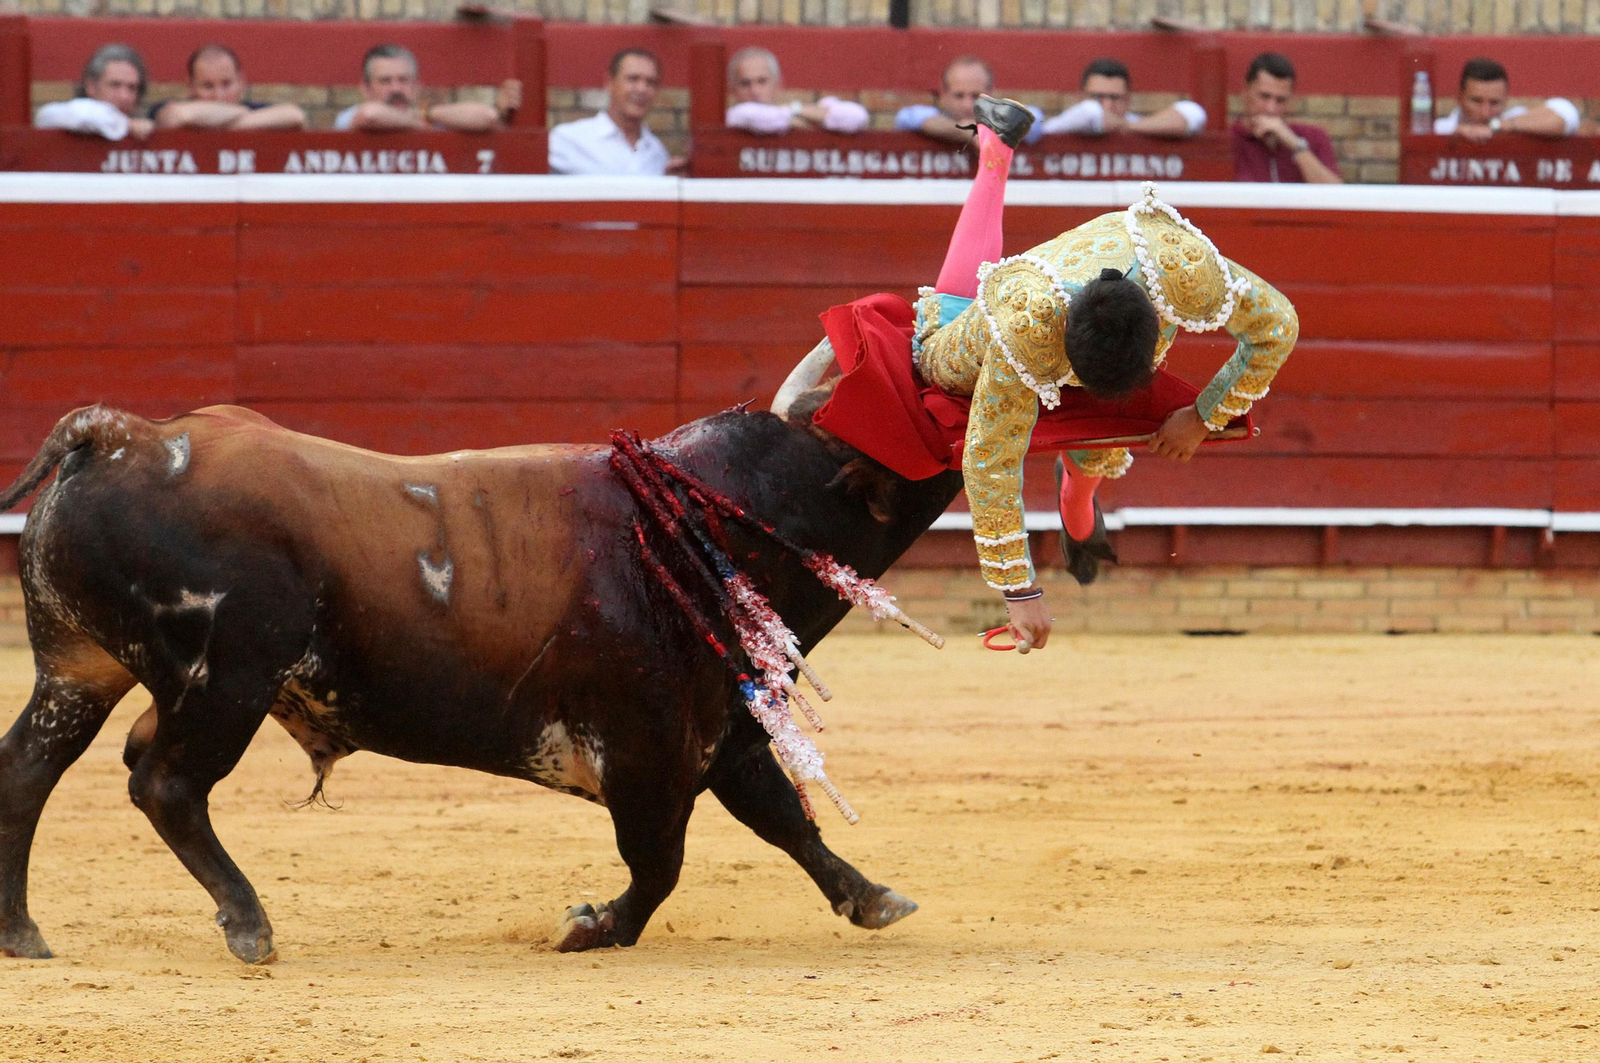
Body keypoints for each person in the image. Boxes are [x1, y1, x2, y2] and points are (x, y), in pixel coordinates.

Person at [808, 99, 1298, 652]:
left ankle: (1076, 505)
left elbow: (1279, 326)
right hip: (1007, 319)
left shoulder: (1183, 268)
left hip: (1086, 317)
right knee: (939, 342)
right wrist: (1018, 590)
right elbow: (990, 458)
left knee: (1099, 422)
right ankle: (993, 156)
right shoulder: (1024, 326)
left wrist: (1205, 415)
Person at [548, 48, 681, 176]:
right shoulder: (568, 139)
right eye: (632, 79)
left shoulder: (657, 152)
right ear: (609, 83)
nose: (642, 89)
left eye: (650, 82)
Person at [334, 44, 520, 133]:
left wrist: (426, 114)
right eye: (385, 81)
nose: (396, 88)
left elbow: (487, 116)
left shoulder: (430, 117)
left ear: (417, 87)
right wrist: (420, 123)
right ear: (365, 89)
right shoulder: (349, 118)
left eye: (404, 80)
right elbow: (371, 116)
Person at [1231, 52, 1341, 184]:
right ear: (1245, 92)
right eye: (1264, 96)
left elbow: (1334, 196)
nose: (1271, 109)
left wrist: (1295, 144)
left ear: (1291, 101)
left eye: (1280, 100)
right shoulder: (1229, 142)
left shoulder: (1314, 137)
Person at [893, 56, 1043, 147]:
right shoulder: (930, 115)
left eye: (976, 96)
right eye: (959, 96)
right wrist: (967, 131)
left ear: (991, 94)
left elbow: (1033, 119)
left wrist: (984, 130)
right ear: (944, 95)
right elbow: (906, 117)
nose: (968, 105)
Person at [1039, 58, 1206, 139]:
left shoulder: (1134, 123)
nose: (1107, 105)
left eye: (1115, 98)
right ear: (1081, 97)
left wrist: (1127, 125)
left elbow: (1193, 113)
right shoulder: (1073, 118)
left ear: (1128, 100)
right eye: (1098, 97)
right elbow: (1090, 113)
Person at [150, 44, 306, 131]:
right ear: (190, 87)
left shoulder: (254, 108)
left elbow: (295, 115)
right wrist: (241, 113)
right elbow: (178, 116)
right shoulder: (164, 108)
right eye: (208, 86)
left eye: (226, 84)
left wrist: (222, 122)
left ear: (241, 82)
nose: (219, 96)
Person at [724, 46, 869, 135]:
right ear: (733, 90)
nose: (754, 91)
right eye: (745, 84)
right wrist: (812, 117)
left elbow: (857, 117)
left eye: (762, 81)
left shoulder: (792, 113)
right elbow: (757, 118)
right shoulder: (734, 116)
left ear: (777, 85)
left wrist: (795, 109)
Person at [1433, 58, 1580, 142]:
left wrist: (1496, 127)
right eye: (1476, 101)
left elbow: (1566, 113)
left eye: (1495, 103)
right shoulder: (1438, 129)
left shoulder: (1515, 120)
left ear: (1505, 100)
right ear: (1459, 98)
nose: (1486, 113)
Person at [34, 43, 153, 141]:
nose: (124, 96)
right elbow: (47, 116)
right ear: (91, 86)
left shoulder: (144, 124)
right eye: (115, 85)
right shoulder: (72, 114)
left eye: (132, 88)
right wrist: (125, 124)